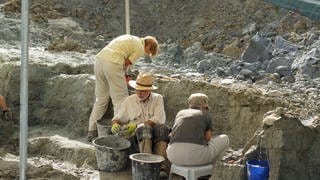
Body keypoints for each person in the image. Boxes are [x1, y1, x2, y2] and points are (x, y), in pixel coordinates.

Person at [87, 34, 159, 142]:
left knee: (101, 100)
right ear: (148, 46)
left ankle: (92, 131)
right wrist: (124, 76)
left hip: (99, 61)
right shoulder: (140, 47)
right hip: (113, 64)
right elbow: (125, 63)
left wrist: (123, 74)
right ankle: (120, 133)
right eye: (148, 52)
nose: (146, 54)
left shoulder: (130, 38)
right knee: (121, 99)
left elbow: (121, 57)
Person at [111, 72, 171, 179]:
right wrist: (115, 124)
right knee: (144, 128)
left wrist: (139, 124)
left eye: (143, 91)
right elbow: (118, 118)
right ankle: (147, 165)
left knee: (162, 128)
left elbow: (159, 118)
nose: (140, 93)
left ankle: (161, 167)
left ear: (150, 90)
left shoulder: (158, 98)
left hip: (156, 138)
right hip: (138, 141)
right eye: (138, 89)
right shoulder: (129, 101)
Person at [166, 93, 229, 167]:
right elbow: (208, 138)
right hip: (195, 158)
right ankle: (211, 168)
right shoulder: (205, 114)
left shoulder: (180, 113)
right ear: (204, 106)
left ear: (189, 104)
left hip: (173, 156)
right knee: (225, 138)